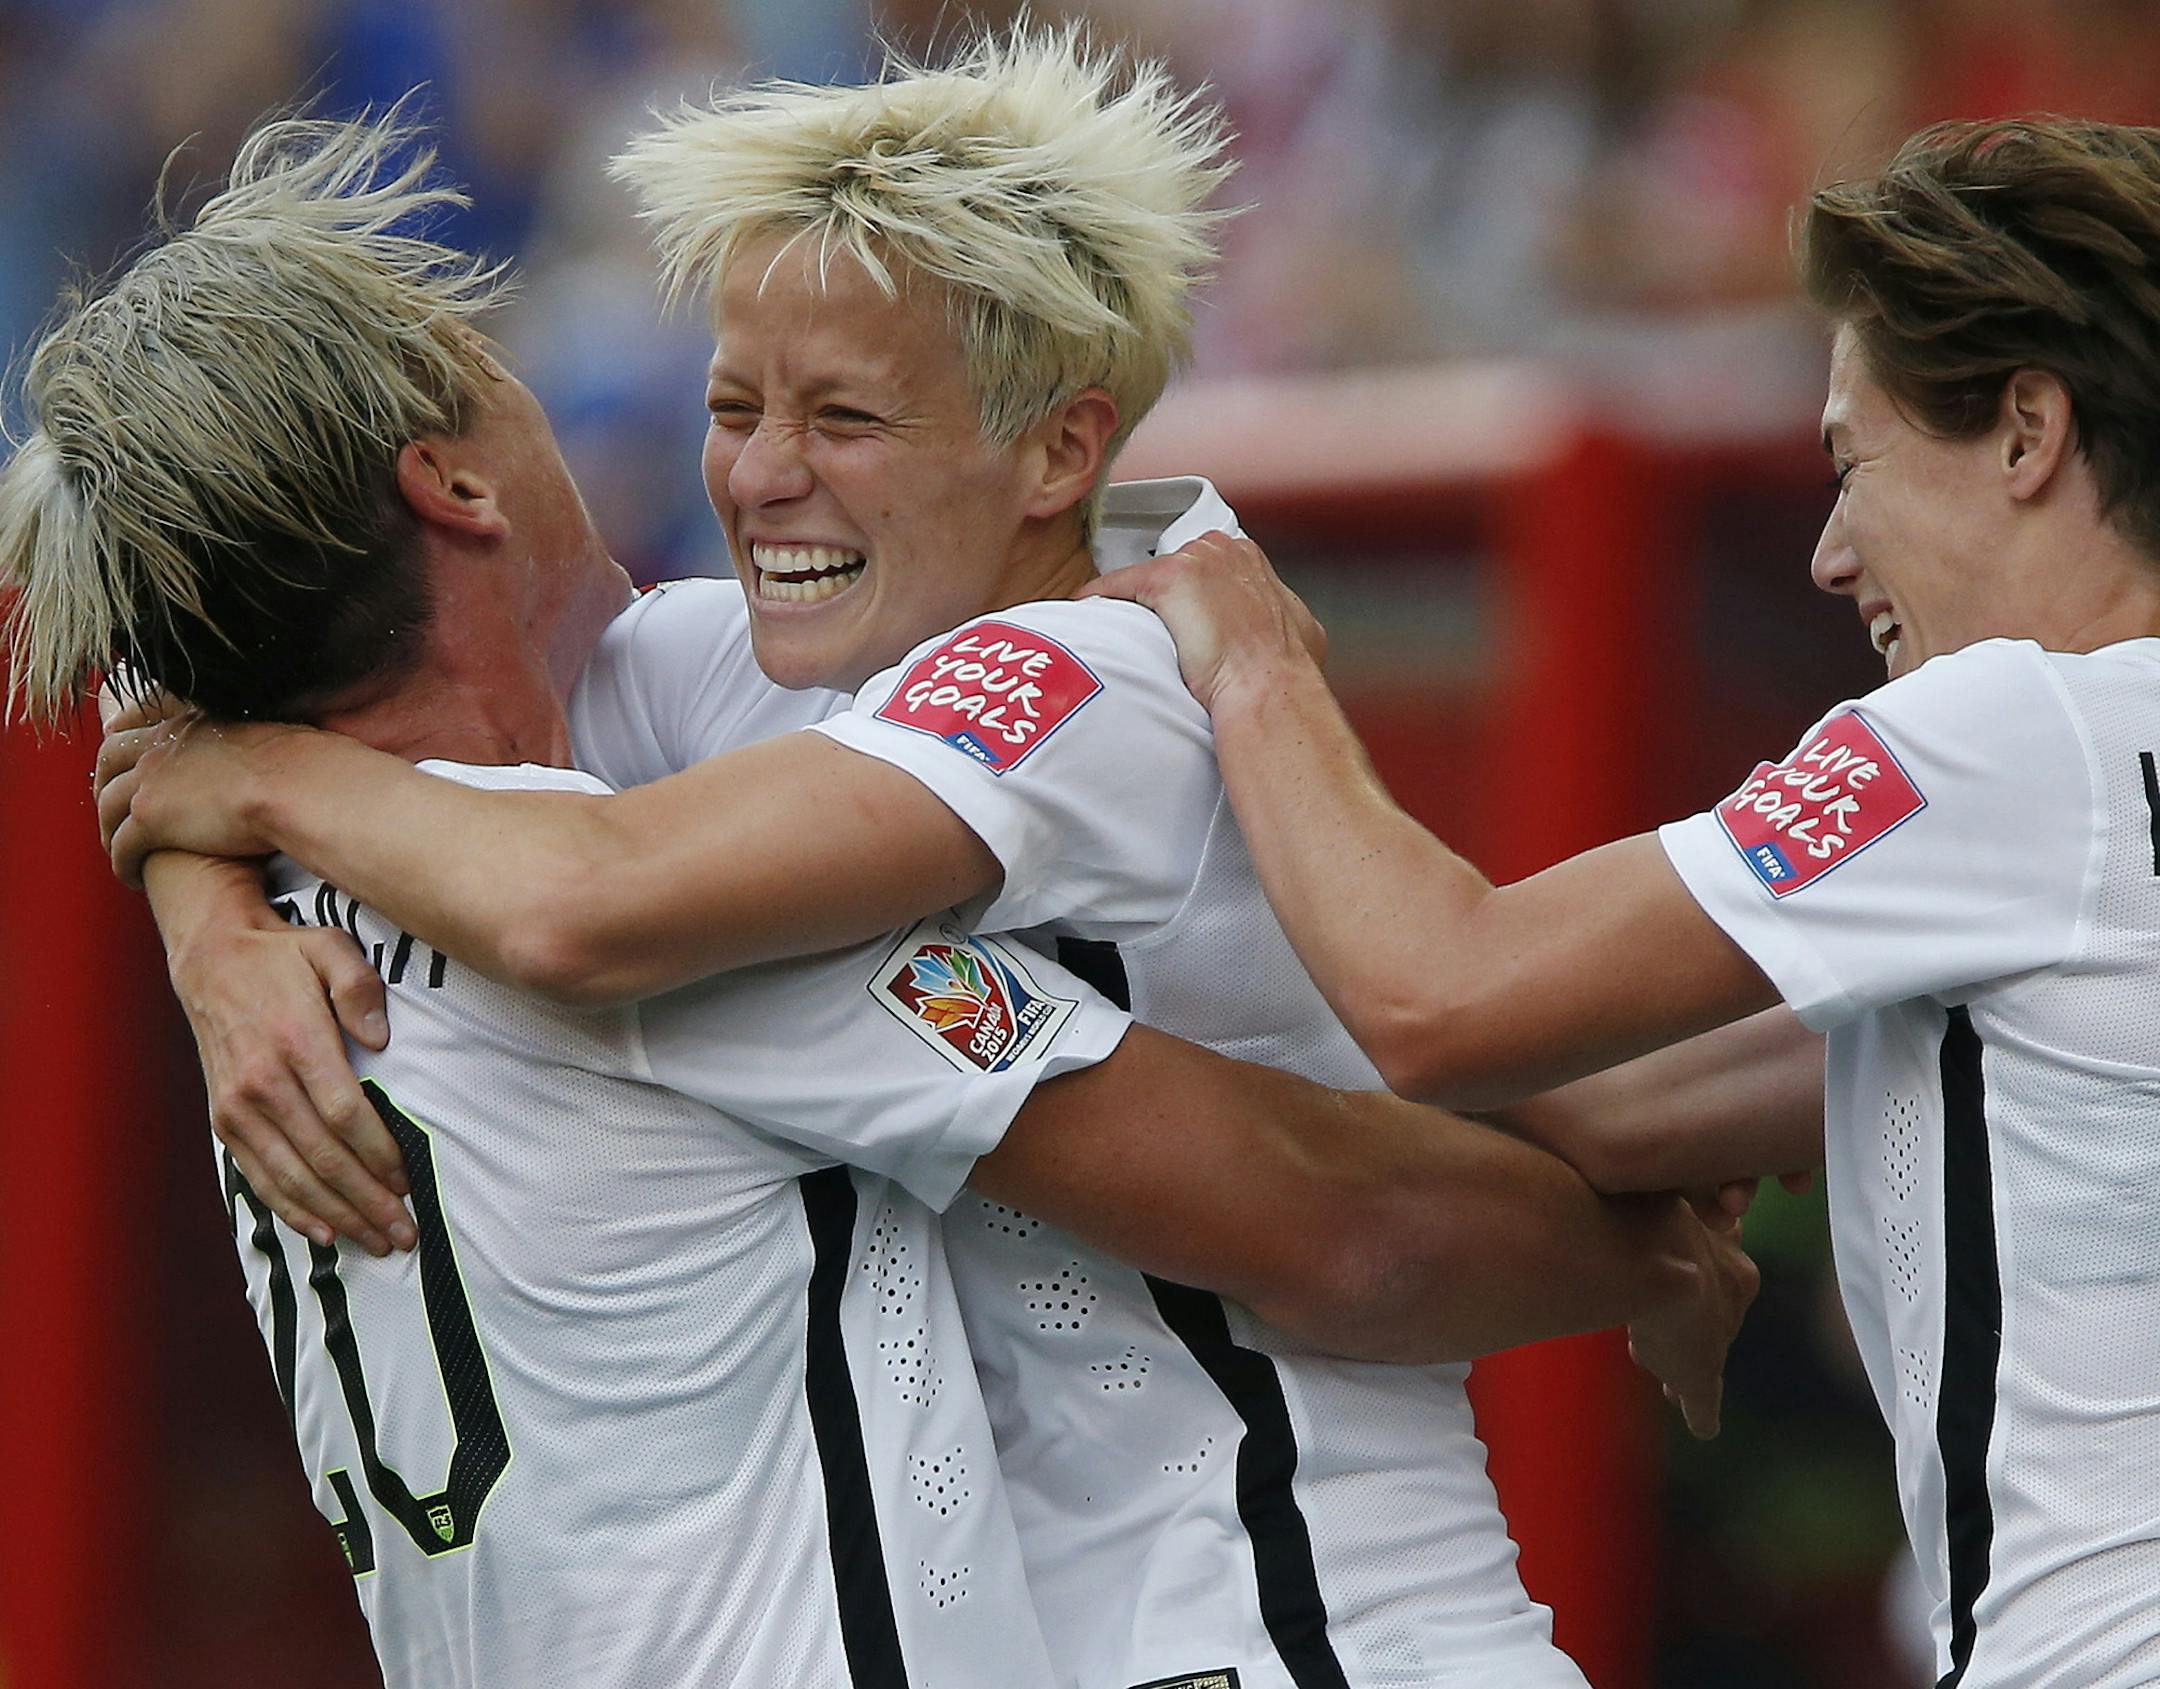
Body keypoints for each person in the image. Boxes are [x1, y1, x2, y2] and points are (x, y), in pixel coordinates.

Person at [82, 33, 1778, 1689]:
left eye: (847, 417)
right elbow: (225, 621)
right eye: (734, 402)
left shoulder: (1099, 658)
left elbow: (558, 880)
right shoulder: (691, 703)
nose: (755, 474)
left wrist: (242, 810)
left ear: (1056, 450)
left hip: (1302, 1619)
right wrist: (203, 898)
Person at [1082, 117, 2160, 1689]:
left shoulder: (2017, 735)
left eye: (1852, 463)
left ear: (2027, 430)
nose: (1828, 551)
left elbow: (1443, 999)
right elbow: (1623, 1098)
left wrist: (1251, 655)